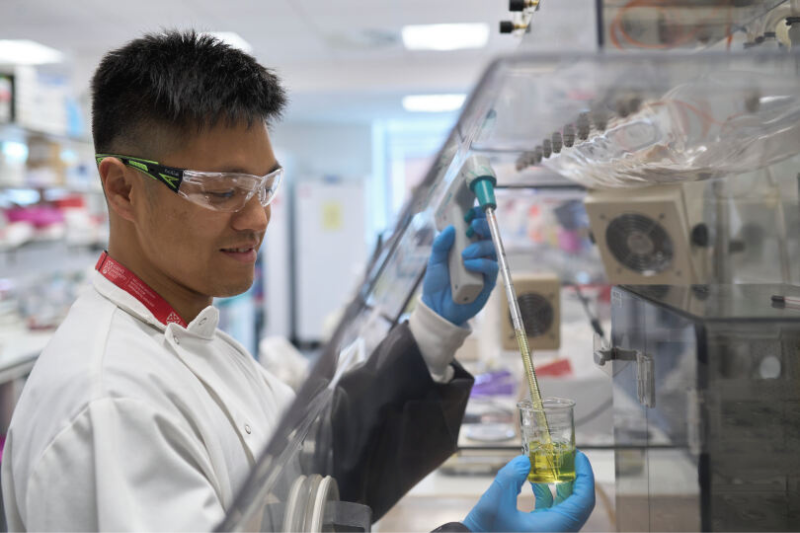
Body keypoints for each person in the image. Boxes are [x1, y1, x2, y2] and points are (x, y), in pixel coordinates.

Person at [0, 31, 595, 532]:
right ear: (123, 189)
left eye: (264, 186)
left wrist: (437, 327)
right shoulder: (112, 403)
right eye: (222, 190)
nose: (258, 218)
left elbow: (319, 471)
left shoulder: (193, 335)